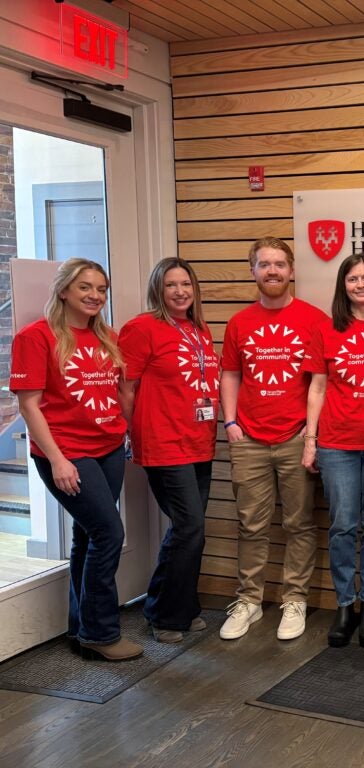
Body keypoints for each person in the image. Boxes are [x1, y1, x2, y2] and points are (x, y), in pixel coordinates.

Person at [10, 259, 141, 662]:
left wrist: (127, 432)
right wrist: (58, 460)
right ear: (64, 290)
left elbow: (120, 393)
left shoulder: (106, 337)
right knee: (108, 533)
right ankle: (101, 633)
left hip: (108, 447)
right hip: (67, 453)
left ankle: (80, 627)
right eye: (85, 287)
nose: (95, 296)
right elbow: (29, 406)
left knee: (87, 535)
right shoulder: (36, 338)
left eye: (101, 289)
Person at [218, 237, 329, 642]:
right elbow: (230, 374)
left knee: (299, 523)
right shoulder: (238, 322)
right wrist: (229, 422)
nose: (273, 271)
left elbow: (323, 381)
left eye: (280, 264)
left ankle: (294, 599)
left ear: (292, 270)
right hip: (247, 437)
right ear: (253, 272)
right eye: (264, 264)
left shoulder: (315, 319)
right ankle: (249, 600)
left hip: (296, 437)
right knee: (251, 524)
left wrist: (311, 430)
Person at [119, 258, 219, 643]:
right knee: (190, 526)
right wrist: (133, 432)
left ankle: (177, 603)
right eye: (171, 285)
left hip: (199, 441)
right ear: (158, 290)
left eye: (186, 285)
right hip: (163, 443)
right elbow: (125, 389)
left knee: (189, 529)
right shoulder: (142, 328)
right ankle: (164, 615)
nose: (180, 292)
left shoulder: (199, 328)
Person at [302, 254, 364, 648]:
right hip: (337, 443)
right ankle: (346, 605)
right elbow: (318, 388)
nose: (361, 284)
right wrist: (311, 441)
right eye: (353, 278)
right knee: (342, 527)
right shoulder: (327, 330)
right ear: (343, 286)